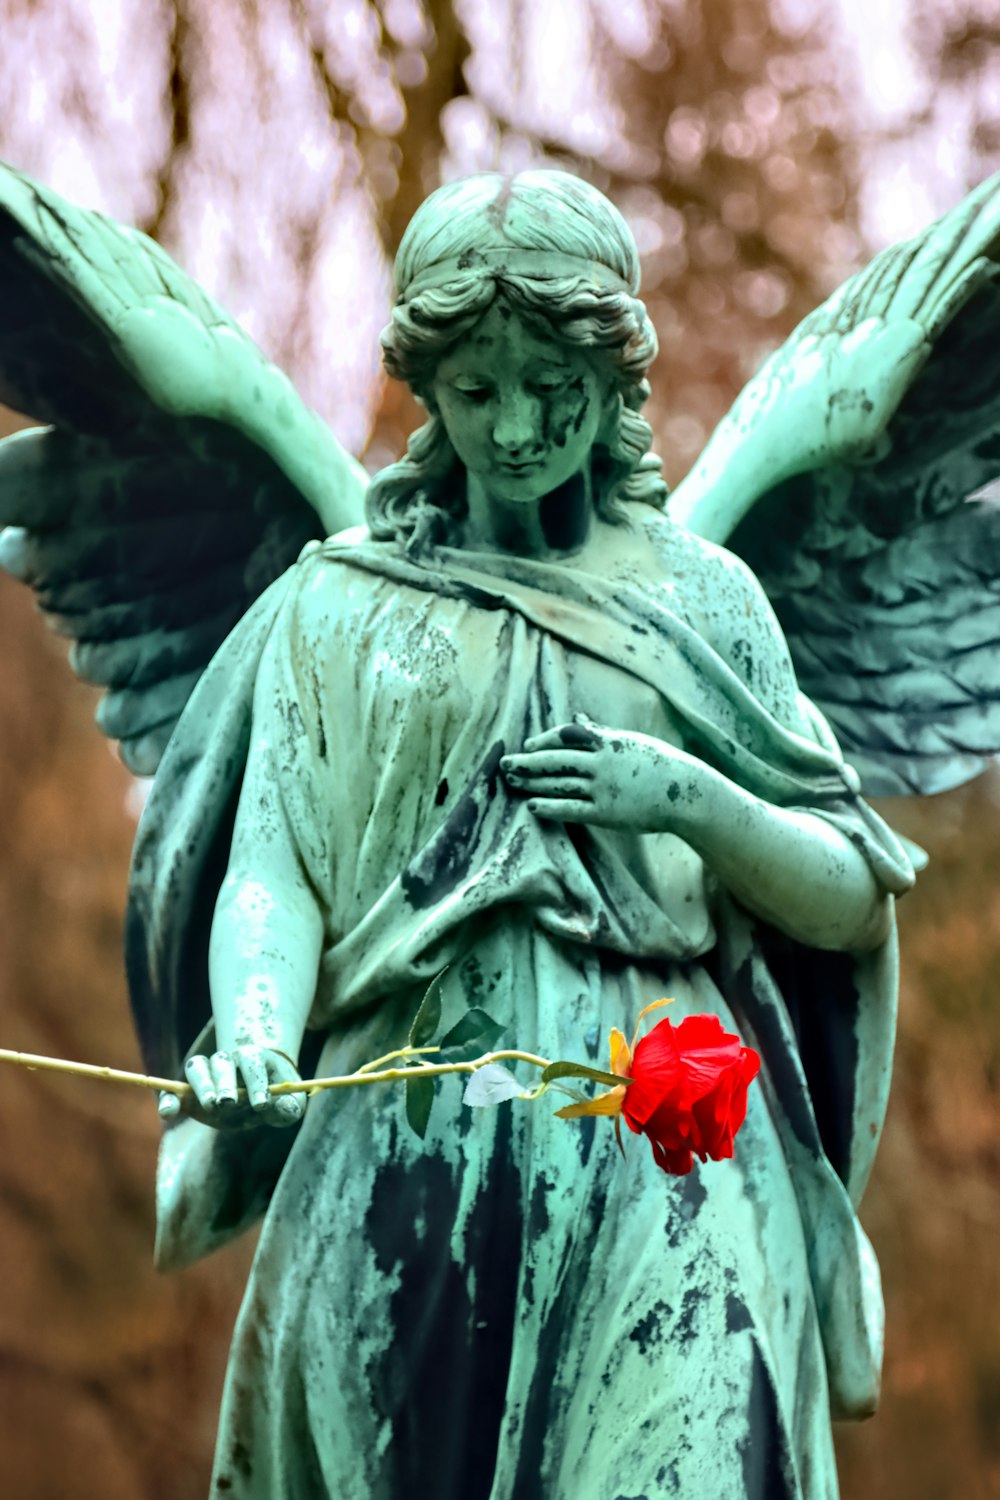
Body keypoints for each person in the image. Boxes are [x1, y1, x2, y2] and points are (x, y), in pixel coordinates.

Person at [147, 170, 914, 1499]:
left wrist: (687, 801)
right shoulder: (340, 607)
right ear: (427, 390)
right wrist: (260, 1035)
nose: (509, 427)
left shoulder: (704, 602)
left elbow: (849, 894)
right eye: (472, 387)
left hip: (672, 1156)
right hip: (399, 1163)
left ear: (610, 369)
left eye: (546, 382)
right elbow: (271, 872)